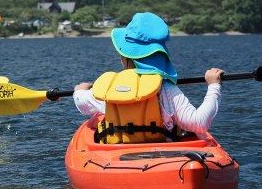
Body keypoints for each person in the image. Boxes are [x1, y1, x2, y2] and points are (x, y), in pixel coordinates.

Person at [73, 12, 224, 143]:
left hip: (118, 159)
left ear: (127, 58)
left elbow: (81, 104)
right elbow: (199, 123)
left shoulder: (109, 89)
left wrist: (79, 90)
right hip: (163, 158)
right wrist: (213, 86)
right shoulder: (167, 90)